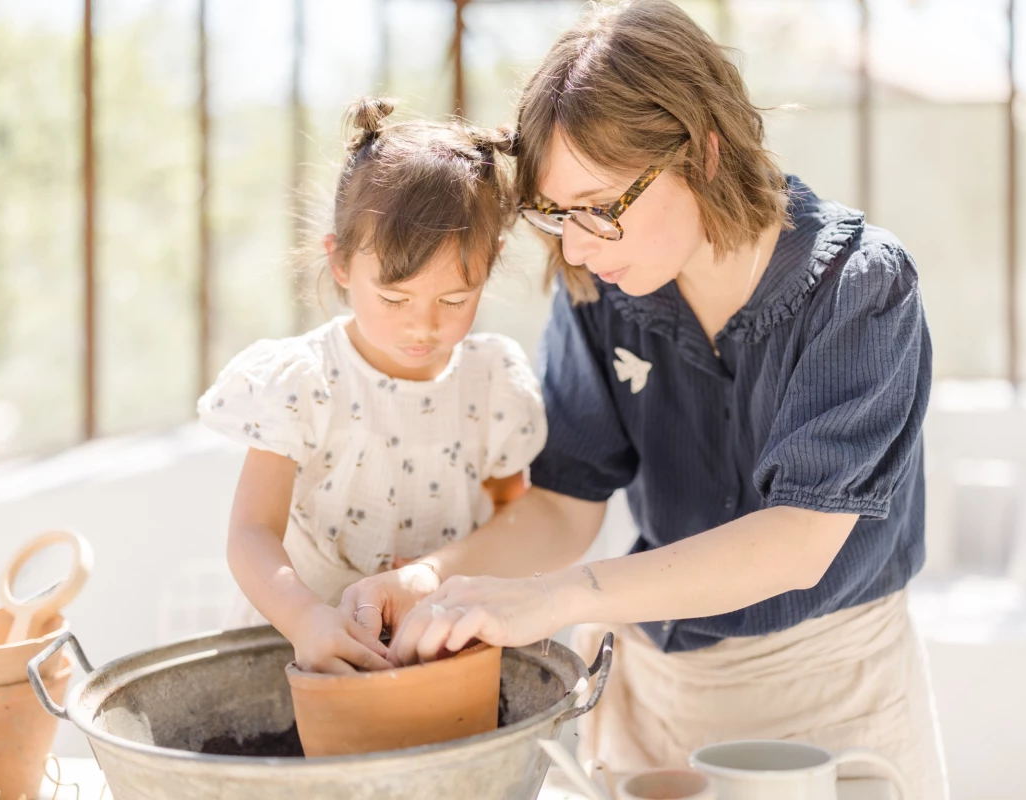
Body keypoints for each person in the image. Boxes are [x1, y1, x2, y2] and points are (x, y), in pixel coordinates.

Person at [340, 3, 947, 797]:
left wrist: (554, 599)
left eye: (600, 207)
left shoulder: (861, 289)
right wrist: (429, 579)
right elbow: (564, 505)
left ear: (704, 153)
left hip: (833, 693)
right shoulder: (605, 290)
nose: (578, 247)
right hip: (655, 696)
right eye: (557, 216)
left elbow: (797, 542)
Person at [196, 98, 547, 675]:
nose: (424, 325)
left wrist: (445, 572)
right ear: (340, 263)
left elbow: (514, 514)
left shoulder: (491, 385)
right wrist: (306, 617)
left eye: (455, 299)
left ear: (492, 262)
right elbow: (252, 533)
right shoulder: (304, 382)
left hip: (433, 658)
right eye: (393, 298)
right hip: (292, 655)